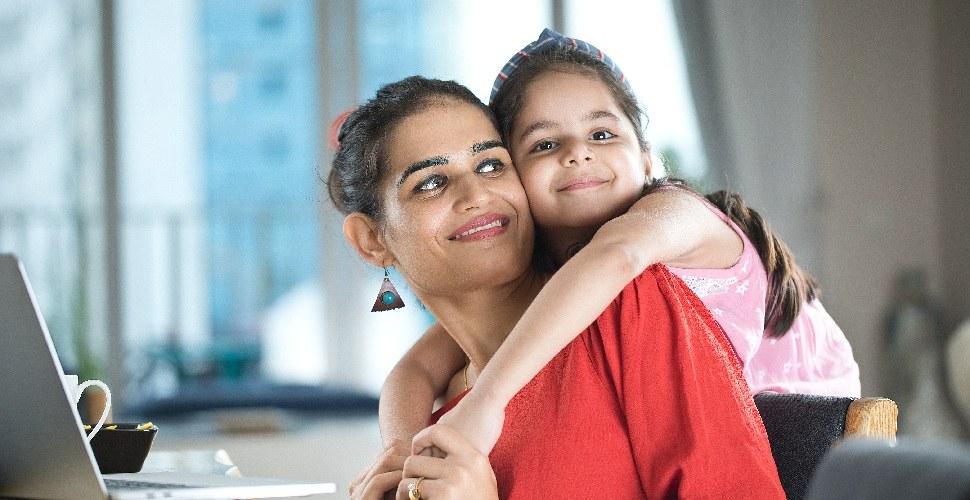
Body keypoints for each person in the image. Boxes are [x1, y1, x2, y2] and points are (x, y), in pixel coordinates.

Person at [379, 28, 860, 457]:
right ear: (516, 178)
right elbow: (416, 369)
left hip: (812, 461)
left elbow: (617, 255)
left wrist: (487, 402)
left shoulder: (676, 214)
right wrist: (400, 461)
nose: (578, 153)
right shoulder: (549, 275)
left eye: (602, 134)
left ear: (648, 160)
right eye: (544, 145)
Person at [329, 75, 784, 498]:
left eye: (490, 165)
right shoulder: (431, 423)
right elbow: (409, 375)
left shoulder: (631, 305)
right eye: (431, 182)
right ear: (371, 240)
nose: (476, 196)